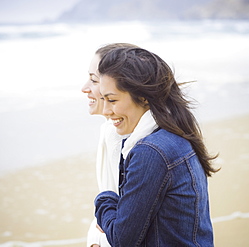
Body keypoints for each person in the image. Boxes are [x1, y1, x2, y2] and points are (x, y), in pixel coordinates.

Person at [94, 47, 219, 246]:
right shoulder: (176, 134)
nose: (106, 111)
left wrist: (104, 199)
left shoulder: (151, 152)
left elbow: (122, 239)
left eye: (112, 100)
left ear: (143, 97)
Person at [82, 43, 157, 247]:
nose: (85, 88)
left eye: (94, 80)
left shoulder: (138, 143)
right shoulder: (112, 130)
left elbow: (122, 226)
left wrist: (98, 236)